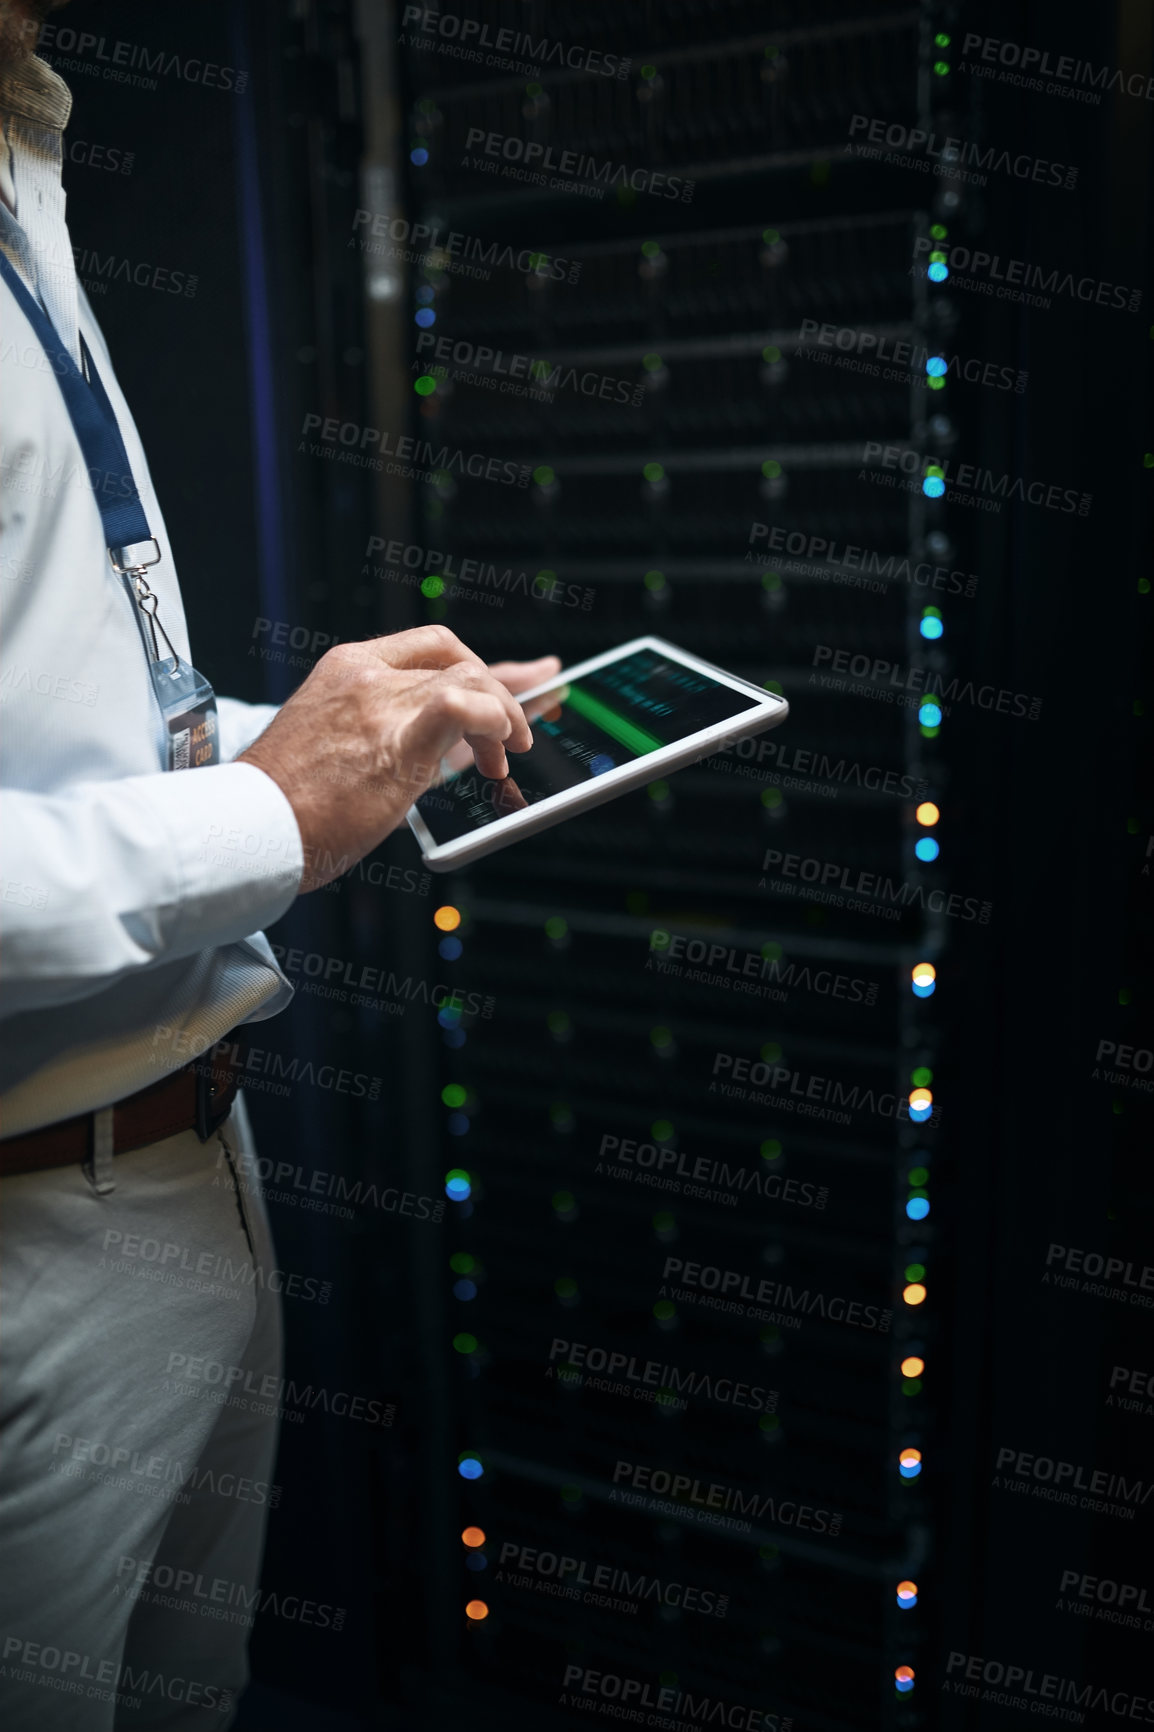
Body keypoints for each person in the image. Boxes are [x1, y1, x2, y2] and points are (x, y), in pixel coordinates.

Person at [0, 6, 557, 1724]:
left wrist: (331, 741)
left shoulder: (25, 147)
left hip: (185, 1165)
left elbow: (68, 698)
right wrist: (270, 815)